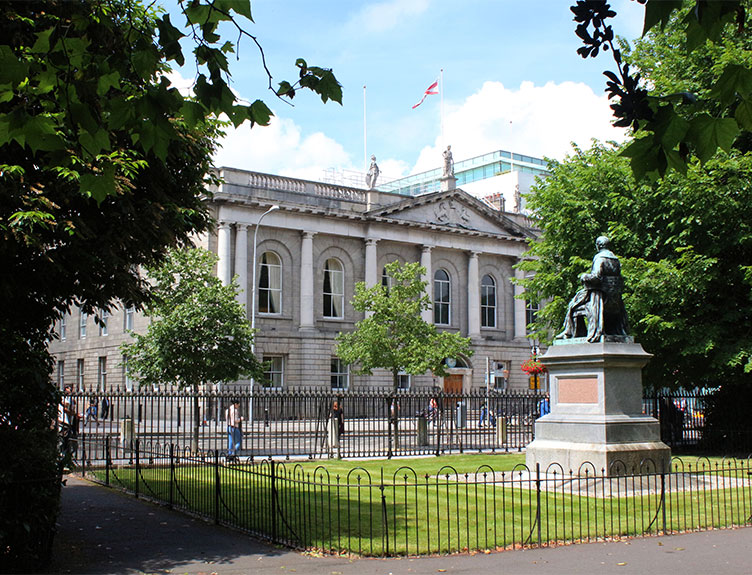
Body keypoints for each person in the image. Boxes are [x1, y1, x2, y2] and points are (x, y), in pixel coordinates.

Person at [556, 236, 629, 342]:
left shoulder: (600, 258)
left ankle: (569, 332)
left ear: (598, 246)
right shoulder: (616, 260)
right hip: (614, 299)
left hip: (600, 298)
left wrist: (584, 276)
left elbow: (596, 277)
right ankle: (573, 332)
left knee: (573, 305)